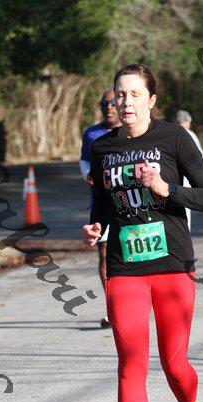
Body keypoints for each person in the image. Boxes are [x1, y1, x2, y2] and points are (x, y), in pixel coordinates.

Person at [82, 63, 203, 402]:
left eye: (134, 94)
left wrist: (166, 189)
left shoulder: (174, 138)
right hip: (124, 268)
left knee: (175, 364)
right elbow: (102, 204)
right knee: (130, 363)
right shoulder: (103, 148)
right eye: (119, 95)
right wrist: (95, 227)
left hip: (172, 265)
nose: (125, 102)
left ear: (151, 100)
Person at [80, 89, 121, 328]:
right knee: (104, 253)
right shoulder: (91, 134)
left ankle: (134, 303)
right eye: (104, 103)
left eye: (112, 102)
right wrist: (89, 174)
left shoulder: (131, 131)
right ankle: (112, 308)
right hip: (102, 204)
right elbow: (85, 160)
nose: (108, 107)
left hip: (129, 204)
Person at [175, 110, 203, 232]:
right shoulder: (188, 134)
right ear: (186, 122)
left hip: (175, 178)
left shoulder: (172, 133)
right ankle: (185, 233)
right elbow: (200, 157)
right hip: (186, 178)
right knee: (185, 209)